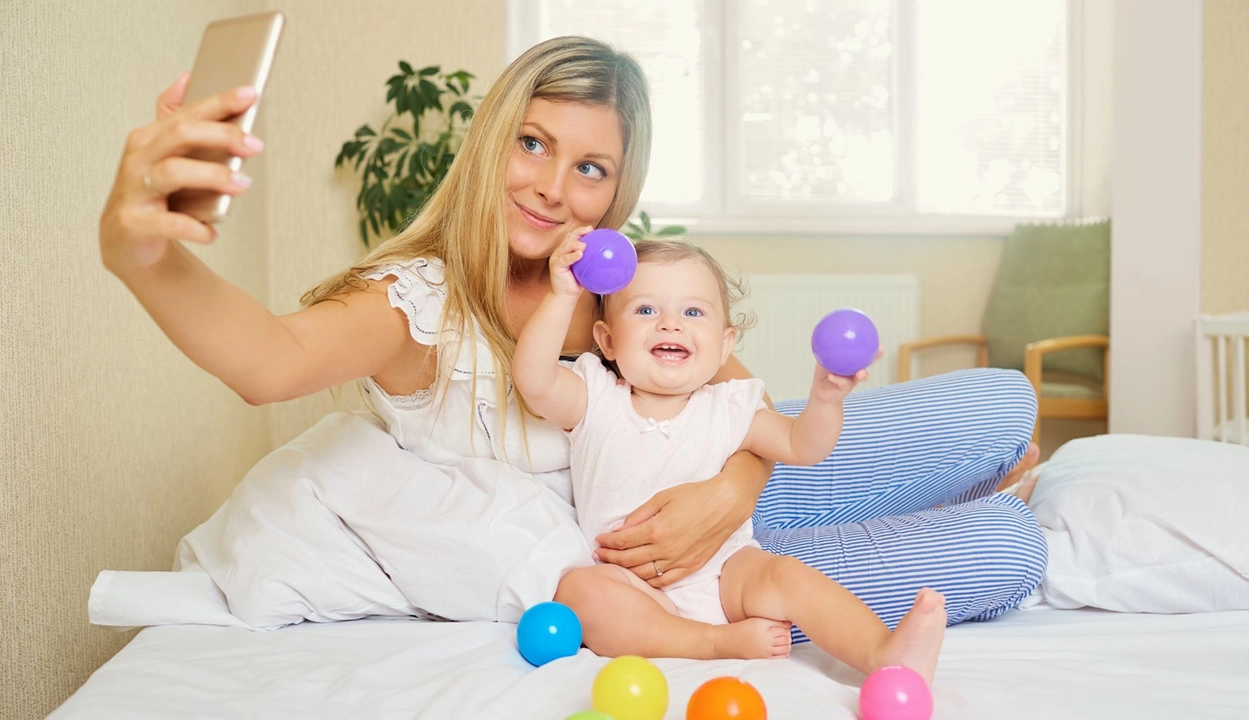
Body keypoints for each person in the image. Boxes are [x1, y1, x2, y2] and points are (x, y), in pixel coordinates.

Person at [99, 35, 1045, 643]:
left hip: (733, 489)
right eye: (533, 144)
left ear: (618, 195)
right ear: (492, 141)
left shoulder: (620, 277)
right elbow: (269, 362)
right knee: (1009, 549)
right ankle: (977, 504)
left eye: (590, 168)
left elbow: (743, 396)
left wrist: (726, 491)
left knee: (1005, 401)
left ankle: (970, 475)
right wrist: (141, 255)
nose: (553, 187)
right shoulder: (419, 304)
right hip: (658, 572)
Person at [512, 236, 950, 681]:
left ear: (725, 346)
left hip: (726, 575)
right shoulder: (595, 398)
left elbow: (804, 446)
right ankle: (711, 643)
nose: (670, 325)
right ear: (607, 340)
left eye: (693, 312)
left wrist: (825, 398)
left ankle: (884, 653)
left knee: (787, 576)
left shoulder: (731, 406)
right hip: (633, 587)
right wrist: (563, 295)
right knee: (581, 591)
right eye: (646, 310)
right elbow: (533, 380)